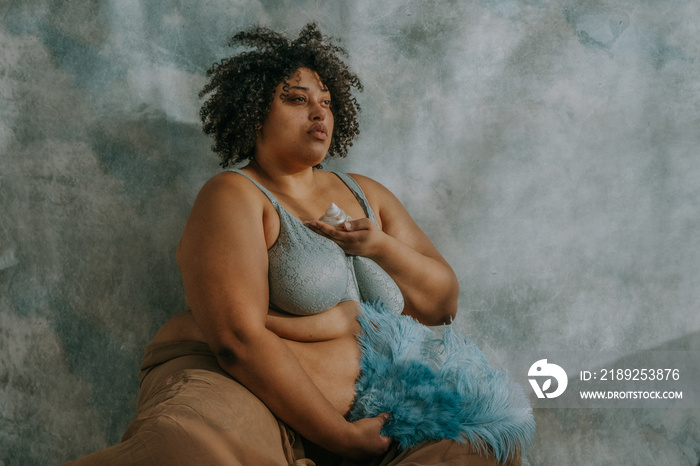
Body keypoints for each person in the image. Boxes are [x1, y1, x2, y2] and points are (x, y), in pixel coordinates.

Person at [64, 24, 533, 465]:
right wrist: (342, 436)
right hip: (240, 389)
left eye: (326, 102)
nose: (318, 112)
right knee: (187, 449)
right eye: (295, 99)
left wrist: (379, 247)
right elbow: (235, 340)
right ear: (254, 113)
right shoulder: (234, 195)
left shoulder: (365, 193)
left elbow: (442, 305)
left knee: (484, 447)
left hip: (373, 409)